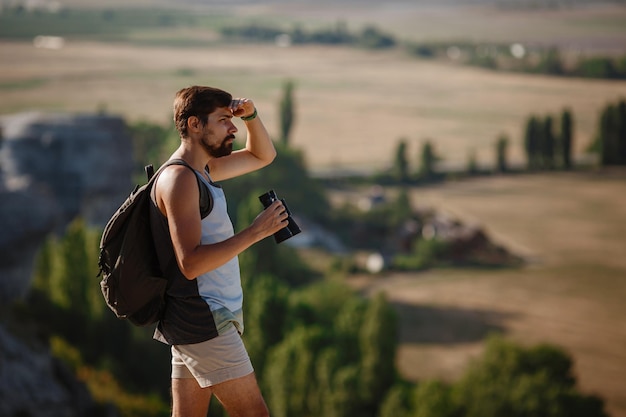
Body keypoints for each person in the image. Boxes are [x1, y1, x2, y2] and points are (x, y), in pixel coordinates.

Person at [149, 86, 288, 417]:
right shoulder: (180, 179)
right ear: (196, 125)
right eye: (224, 120)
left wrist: (251, 115)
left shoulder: (202, 171)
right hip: (204, 318)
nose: (233, 128)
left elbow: (262, 155)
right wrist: (256, 232)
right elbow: (191, 263)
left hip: (195, 318)